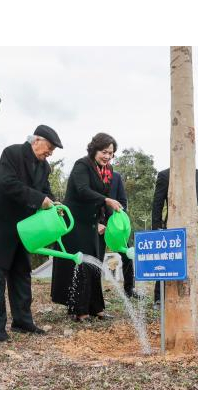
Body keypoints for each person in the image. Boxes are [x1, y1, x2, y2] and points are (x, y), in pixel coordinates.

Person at [0, 125, 62, 342]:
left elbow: (45, 190)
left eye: (53, 150)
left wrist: (54, 202)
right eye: (49, 147)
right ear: (36, 140)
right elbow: (8, 184)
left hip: (22, 228)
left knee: (22, 272)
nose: (50, 153)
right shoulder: (12, 153)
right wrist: (39, 199)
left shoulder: (44, 167)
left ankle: (22, 321)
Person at [51, 133, 123, 321]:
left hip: (92, 223)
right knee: (80, 264)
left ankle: (96, 308)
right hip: (75, 223)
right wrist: (106, 200)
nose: (107, 156)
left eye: (111, 153)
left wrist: (105, 221)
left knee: (95, 263)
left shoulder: (107, 170)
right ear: (94, 150)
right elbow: (83, 190)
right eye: (104, 152)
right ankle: (79, 310)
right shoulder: (82, 165)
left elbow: (103, 199)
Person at [151, 167, 198, 307]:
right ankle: (159, 297)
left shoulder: (197, 173)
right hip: (172, 225)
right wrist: (156, 228)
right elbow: (157, 203)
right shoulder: (165, 175)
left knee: (194, 260)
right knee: (166, 261)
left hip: (193, 225)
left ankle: (193, 296)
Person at [98, 170, 137, 298]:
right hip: (98, 225)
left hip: (116, 226)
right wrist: (98, 223)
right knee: (96, 259)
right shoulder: (91, 175)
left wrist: (117, 221)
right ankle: (95, 294)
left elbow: (123, 202)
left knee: (127, 256)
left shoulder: (116, 177)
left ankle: (129, 289)